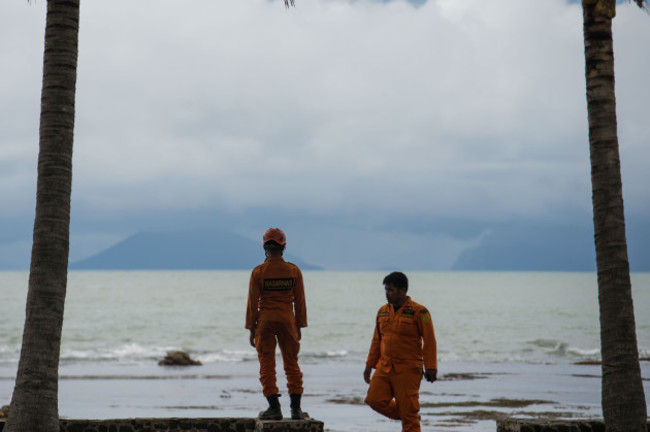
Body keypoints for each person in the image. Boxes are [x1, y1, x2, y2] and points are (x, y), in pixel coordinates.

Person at [245, 227, 307, 420]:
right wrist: (299, 325)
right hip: (287, 320)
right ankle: (296, 410)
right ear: (284, 246)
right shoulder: (293, 271)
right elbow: (300, 301)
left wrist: (251, 328)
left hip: (265, 322)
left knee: (267, 365)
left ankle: (274, 408)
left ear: (265, 247)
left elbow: (252, 303)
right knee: (292, 364)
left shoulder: (258, 272)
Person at [363, 271, 437, 432]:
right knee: (374, 400)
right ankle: (406, 414)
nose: (387, 294)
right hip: (384, 366)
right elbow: (377, 340)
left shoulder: (420, 312)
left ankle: (409, 416)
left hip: (408, 369)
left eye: (391, 290)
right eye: (386, 290)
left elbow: (429, 340)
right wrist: (369, 365)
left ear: (403, 290)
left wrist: (431, 367)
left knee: (409, 414)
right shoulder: (382, 311)